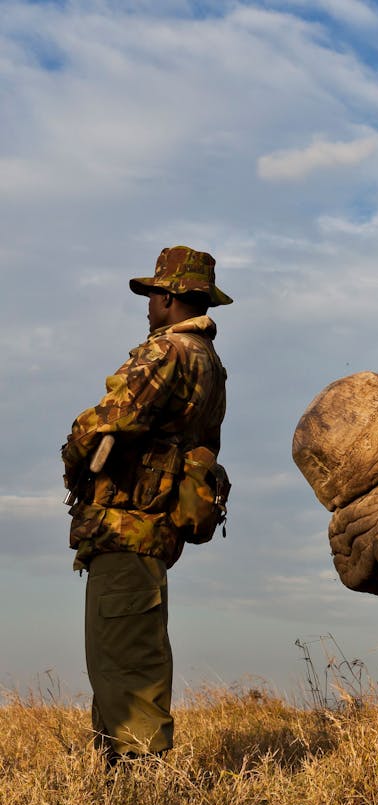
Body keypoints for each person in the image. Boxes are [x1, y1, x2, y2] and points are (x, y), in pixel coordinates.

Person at [62, 246, 230, 766]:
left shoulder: (165, 352)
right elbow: (206, 445)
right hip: (151, 531)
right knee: (126, 653)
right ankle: (119, 775)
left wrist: (74, 449)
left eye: (155, 293)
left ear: (173, 297)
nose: (149, 303)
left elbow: (105, 422)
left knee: (126, 661)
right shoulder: (211, 364)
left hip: (126, 525)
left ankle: (140, 789)